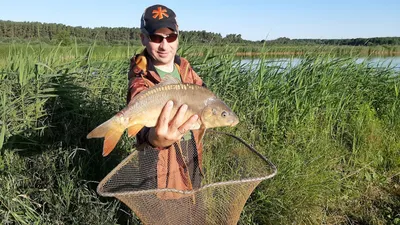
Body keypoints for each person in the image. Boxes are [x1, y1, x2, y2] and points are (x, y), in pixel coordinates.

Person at [127, 4, 206, 199]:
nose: (164, 45)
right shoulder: (141, 78)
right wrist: (154, 138)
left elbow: (202, 93)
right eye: (156, 38)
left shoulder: (184, 67)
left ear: (178, 37)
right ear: (144, 38)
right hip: (161, 162)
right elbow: (138, 109)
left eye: (170, 37)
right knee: (169, 207)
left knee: (194, 204)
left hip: (192, 152)